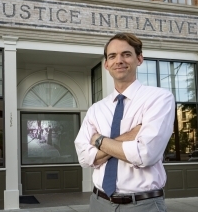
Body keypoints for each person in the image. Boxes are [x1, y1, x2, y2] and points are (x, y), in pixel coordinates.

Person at [74, 33, 175, 212]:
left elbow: (146, 154)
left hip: (143, 205)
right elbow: (83, 157)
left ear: (139, 59)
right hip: (99, 202)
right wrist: (130, 136)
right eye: (112, 56)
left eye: (126, 54)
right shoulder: (96, 109)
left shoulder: (159, 98)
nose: (119, 60)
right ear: (106, 64)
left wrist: (99, 140)